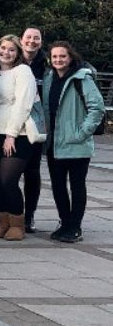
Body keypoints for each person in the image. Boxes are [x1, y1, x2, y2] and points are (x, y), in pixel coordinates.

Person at [40, 41, 105, 243]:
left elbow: (97, 108)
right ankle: (65, 222)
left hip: (76, 144)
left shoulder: (81, 78)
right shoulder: (49, 77)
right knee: (58, 186)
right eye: (55, 56)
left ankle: (75, 226)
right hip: (55, 143)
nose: (58, 60)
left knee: (77, 186)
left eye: (63, 56)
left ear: (70, 57)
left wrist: (81, 133)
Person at [0, 34, 38, 242]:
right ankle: (2, 220)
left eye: (12, 50)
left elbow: (23, 104)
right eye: (3, 48)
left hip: (17, 134)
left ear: (18, 54)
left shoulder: (23, 72)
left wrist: (11, 135)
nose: (6, 52)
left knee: (8, 180)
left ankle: (17, 223)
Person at [18, 26, 47, 233]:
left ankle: (29, 216)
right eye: (28, 37)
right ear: (21, 40)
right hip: (13, 125)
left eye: (36, 38)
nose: (32, 41)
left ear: (41, 42)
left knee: (32, 172)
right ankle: (11, 214)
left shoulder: (47, 65)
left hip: (36, 126)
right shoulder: (12, 60)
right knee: (7, 175)